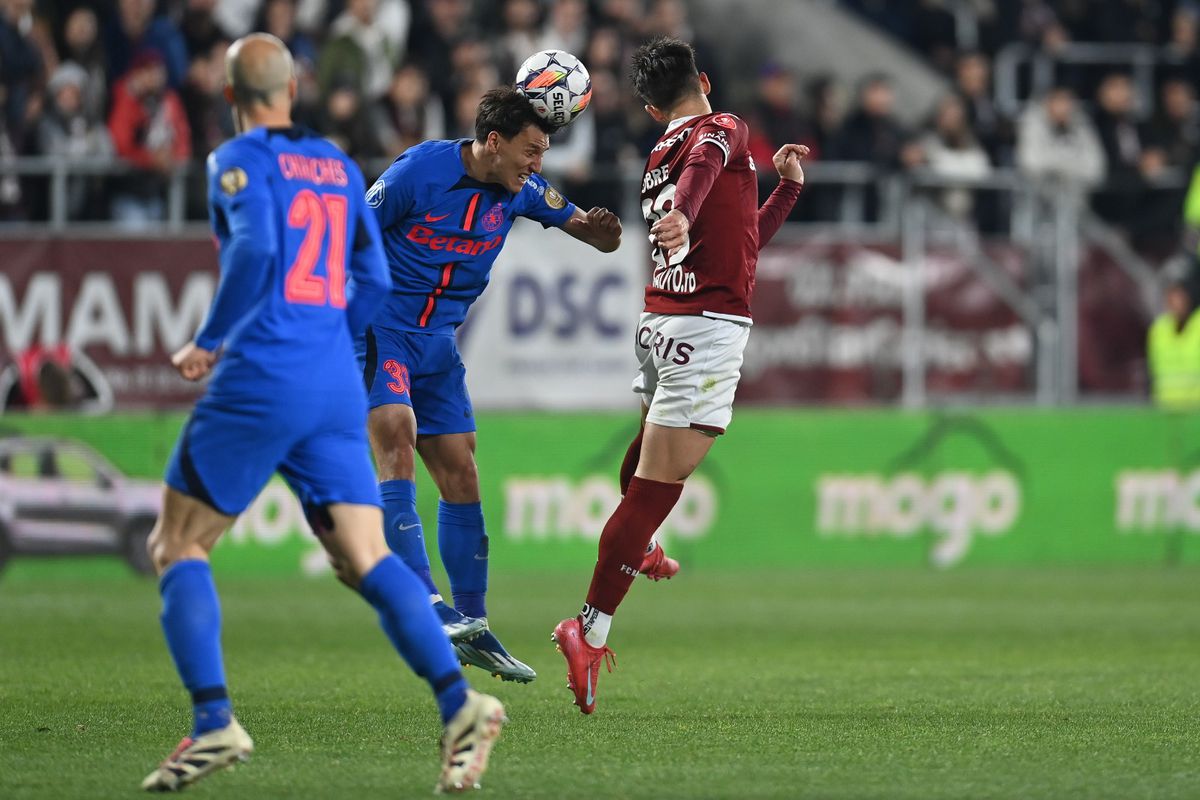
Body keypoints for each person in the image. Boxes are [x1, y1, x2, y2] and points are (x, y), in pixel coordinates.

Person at [139, 33, 504, 794]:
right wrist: (331, 341)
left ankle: (213, 722)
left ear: (229, 94)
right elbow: (369, 275)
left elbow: (252, 251)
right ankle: (460, 704)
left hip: (261, 371)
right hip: (335, 376)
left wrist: (210, 341)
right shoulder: (338, 166)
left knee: (178, 544)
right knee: (362, 559)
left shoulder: (234, 160)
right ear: (293, 91)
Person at [551, 35, 805, 714]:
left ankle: (643, 547)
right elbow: (705, 169)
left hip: (662, 325)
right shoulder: (721, 130)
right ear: (703, 81)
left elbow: (740, 245)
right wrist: (685, 215)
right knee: (654, 492)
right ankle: (588, 627)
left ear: (646, 103)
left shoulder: (655, 157)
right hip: (702, 333)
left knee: (645, 476)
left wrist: (784, 191)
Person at [361, 85, 622, 682]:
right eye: (531, 151)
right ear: (494, 142)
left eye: (544, 151)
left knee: (461, 470)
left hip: (437, 344)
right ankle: (425, 602)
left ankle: (472, 625)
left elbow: (594, 233)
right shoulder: (419, 171)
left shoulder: (524, 190)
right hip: (382, 329)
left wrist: (605, 231)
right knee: (396, 436)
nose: (538, 164)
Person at [1147, 278, 1200, 409]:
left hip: (1196, 408)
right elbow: (1153, 369)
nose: (1174, 302)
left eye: (1178, 296)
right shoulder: (1158, 330)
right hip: (1165, 408)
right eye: (1170, 297)